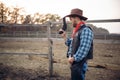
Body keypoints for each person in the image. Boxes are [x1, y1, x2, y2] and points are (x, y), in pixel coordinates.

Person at [60, 8, 94, 80]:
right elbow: (71, 44)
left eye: (71, 19)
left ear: (76, 18)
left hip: (80, 63)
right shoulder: (77, 31)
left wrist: (74, 58)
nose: (70, 21)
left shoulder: (85, 30)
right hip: (76, 63)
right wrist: (65, 37)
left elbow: (84, 48)